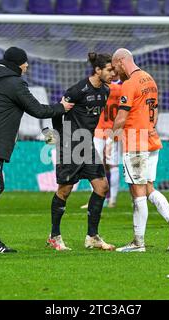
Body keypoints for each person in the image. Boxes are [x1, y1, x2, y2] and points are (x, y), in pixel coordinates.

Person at [0, 47, 73, 254]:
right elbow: (37, 110)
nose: (27, 66)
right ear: (18, 64)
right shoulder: (15, 83)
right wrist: (61, 107)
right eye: (25, 63)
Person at [109, 48, 169, 253]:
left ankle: (138, 243)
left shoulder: (129, 83)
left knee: (137, 192)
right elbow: (156, 111)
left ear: (121, 61)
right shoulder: (149, 79)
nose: (116, 72)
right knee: (149, 187)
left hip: (135, 141)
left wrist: (111, 138)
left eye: (115, 67)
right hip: (151, 138)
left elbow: (122, 117)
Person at [46, 52, 115, 252]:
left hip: (87, 145)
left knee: (102, 187)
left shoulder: (105, 91)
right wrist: (57, 137)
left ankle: (92, 237)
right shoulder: (77, 90)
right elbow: (58, 111)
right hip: (70, 144)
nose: (113, 74)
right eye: (109, 70)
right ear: (98, 70)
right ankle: (54, 236)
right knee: (65, 191)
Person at [79, 73, 122, 210]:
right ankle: (112, 199)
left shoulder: (100, 89)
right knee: (113, 165)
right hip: (113, 130)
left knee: (97, 165)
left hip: (98, 130)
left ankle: (97, 199)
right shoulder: (120, 90)